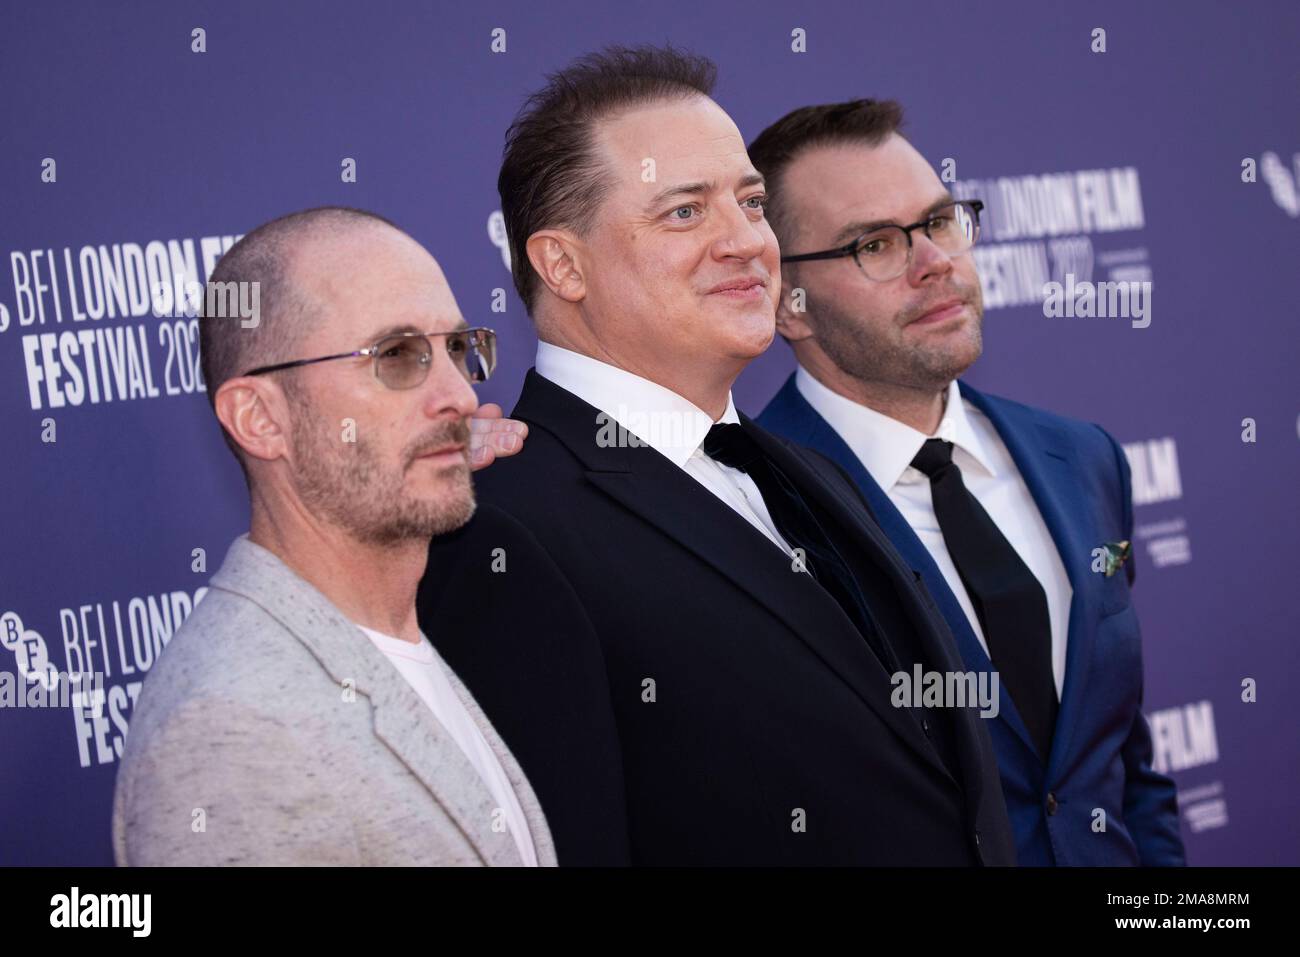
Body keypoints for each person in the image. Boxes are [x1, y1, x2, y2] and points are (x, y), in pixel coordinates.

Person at [420, 48, 1016, 866]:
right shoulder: (501, 528)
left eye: (751, 202)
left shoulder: (807, 470)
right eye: (683, 213)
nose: (746, 243)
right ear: (562, 264)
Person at [749, 99, 1185, 865]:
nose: (934, 261)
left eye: (941, 220)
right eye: (875, 244)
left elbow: (1123, 761)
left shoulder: (1083, 458)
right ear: (789, 303)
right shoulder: (752, 507)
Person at [113, 206, 552, 866]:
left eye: (459, 349)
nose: (459, 395)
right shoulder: (234, 731)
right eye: (398, 356)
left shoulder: (401, 640)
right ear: (260, 418)